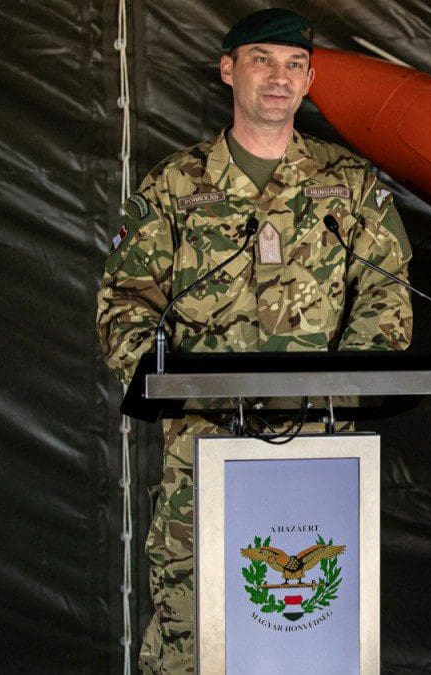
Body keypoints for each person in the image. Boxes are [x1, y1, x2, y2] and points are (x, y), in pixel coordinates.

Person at [95, 9, 412, 672]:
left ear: (310, 78)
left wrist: (338, 398)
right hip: (204, 457)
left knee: (315, 635)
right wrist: (172, 389)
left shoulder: (350, 187)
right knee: (192, 634)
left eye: (295, 64)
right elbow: (125, 306)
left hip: (320, 461)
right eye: (262, 59)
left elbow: (387, 299)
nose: (279, 77)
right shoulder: (171, 188)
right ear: (228, 69)